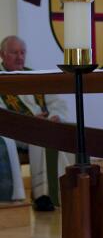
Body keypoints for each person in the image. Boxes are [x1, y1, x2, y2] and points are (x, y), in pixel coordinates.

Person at [0, 34, 72, 211]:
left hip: (40, 127)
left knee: (67, 132)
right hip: (15, 131)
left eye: (22, 52)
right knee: (39, 136)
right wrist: (29, 122)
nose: (20, 57)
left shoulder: (34, 76)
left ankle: (67, 192)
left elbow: (57, 103)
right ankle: (43, 195)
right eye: (14, 52)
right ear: (2, 55)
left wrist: (55, 115)